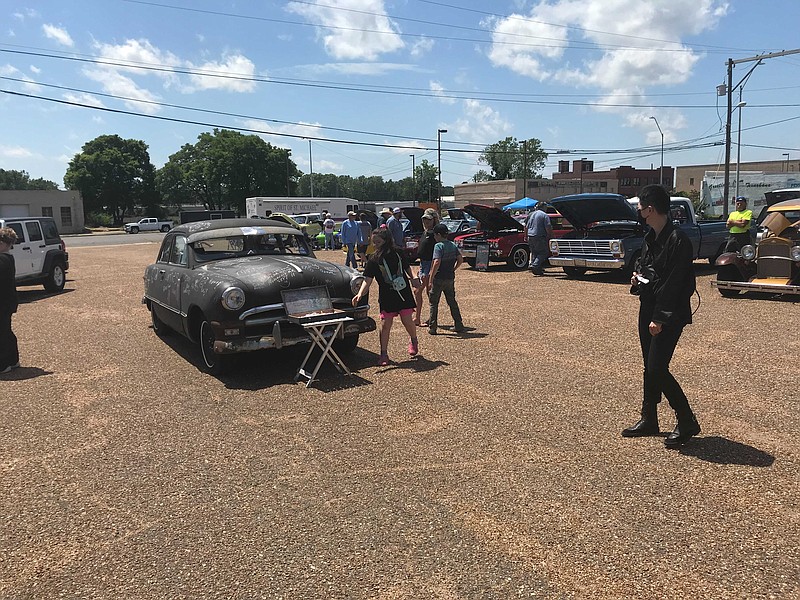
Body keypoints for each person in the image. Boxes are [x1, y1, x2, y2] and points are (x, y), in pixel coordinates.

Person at [623, 185, 700, 448]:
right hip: (648, 308)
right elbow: (647, 270)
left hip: (668, 314)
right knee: (649, 365)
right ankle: (650, 418)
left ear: (650, 209)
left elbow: (676, 284)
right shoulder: (650, 238)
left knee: (657, 367)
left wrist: (660, 318)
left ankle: (686, 419)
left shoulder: (678, 240)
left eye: (641, 208)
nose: (639, 212)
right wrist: (637, 280)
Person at [352, 227, 420, 366]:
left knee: (407, 320)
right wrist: (359, 293)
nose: (375, 245)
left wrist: (413, 277)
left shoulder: (398, 253)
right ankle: (383, 354)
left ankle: (413, 339)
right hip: (387, 295)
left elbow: (407, 268)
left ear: (386, 240)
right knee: (385, 324)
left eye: (378, 242)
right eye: (373, 242)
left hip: (403, 292)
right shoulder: (374, 259)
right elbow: (367, 279)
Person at [427, 223, 465, 335]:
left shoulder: (438, 246)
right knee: (452, 301)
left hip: (439, 277)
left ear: (438, 235)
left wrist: (431, 278)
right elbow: (460, 259)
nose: (434, 237)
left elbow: (436, 262)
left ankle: (432, 327)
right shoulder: (453, 245)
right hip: (449, 277)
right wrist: (454, 268)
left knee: (434, 303)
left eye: (435, 235)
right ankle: (458, 324)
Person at [413, 209, 438, 326]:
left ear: (434, 220)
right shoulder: (425, 232)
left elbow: (437, 253)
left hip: (430, 264)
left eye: (428, 220)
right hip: (423, 264)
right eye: (424, 220)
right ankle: (417, 318)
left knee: (428, 292)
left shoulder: (435, 234)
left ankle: (431, 319)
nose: (426, 222)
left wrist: (432, 270)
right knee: (417, 291)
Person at [0, 227, 20, 374]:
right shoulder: (8, 258)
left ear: (3, 243)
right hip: (8, 301)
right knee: (6, 331)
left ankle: (4, 364)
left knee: (3, 332)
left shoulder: (3, 259)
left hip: (3, 302)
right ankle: (13, 360)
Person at [525, 203, 552, 275]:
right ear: (543, 207)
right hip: (539, 235)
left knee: (534, 252)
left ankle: (535, 269)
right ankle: (535, 265)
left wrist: (525, 236)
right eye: (546, 207)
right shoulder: (544, 215)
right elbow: (548, 226)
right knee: (543, 252)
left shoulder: (532, 214)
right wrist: (550, 235)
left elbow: (526, 226)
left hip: (530, 235)